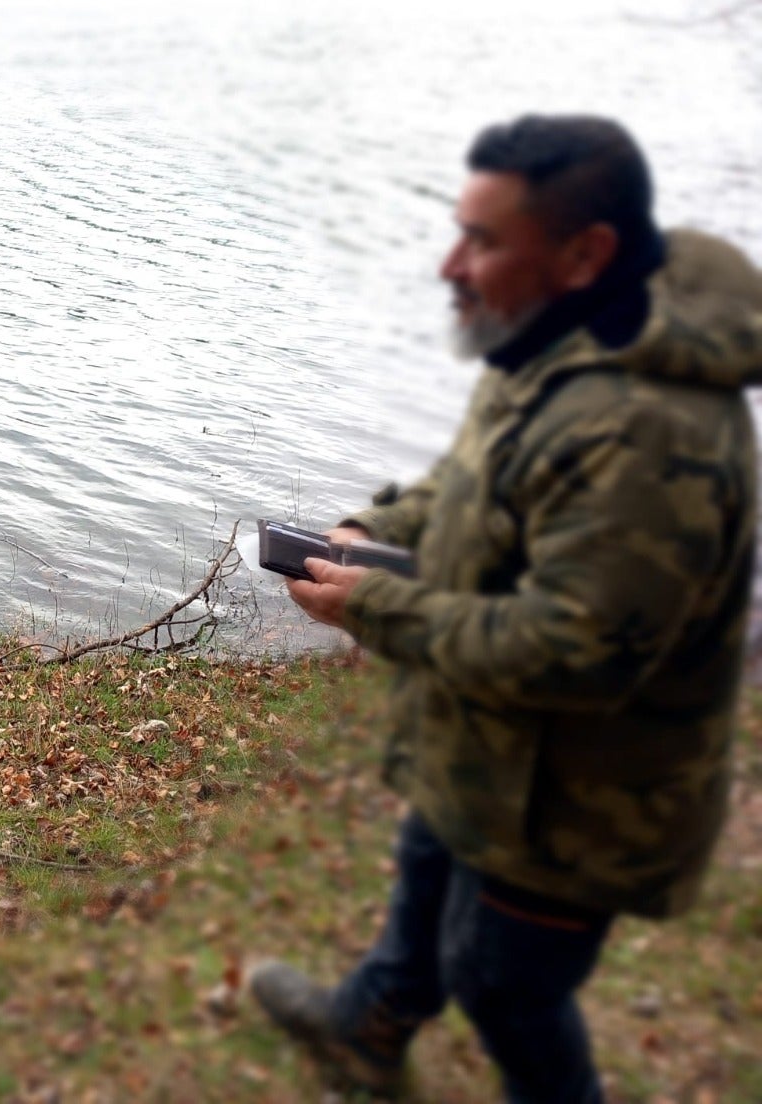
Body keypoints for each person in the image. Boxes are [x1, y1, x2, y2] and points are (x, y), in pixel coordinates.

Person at [251, 115, 762, 1102]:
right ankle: (361, 1034)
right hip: (488, 746)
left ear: (587, 252)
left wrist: (382, 609)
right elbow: (472, 484)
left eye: (482, 242)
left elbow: (576, 650)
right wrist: (370, 528)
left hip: (576, 799)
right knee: (424, 878)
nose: (451, 264)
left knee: (503, 987)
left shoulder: (654, 433)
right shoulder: (561, 330)